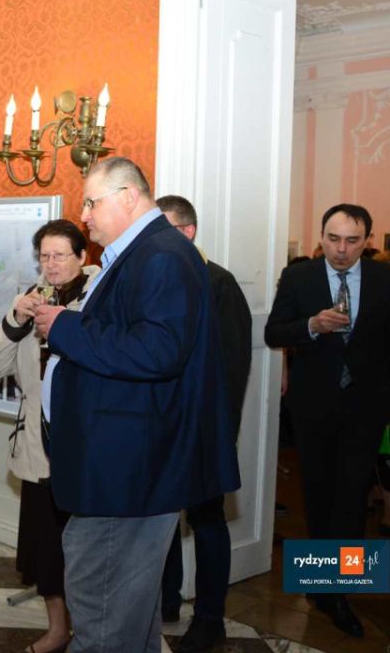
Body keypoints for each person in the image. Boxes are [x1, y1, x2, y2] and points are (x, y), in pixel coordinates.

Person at [33, 157, 240, 653]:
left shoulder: (161, 255)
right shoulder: (141, 254)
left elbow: (158, 351)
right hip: (119, 466)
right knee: (127, 617)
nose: (84, 214)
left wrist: (64, 327)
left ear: (127, 197)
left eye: (91, 202)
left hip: (127, 472)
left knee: (103, 617)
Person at [265, 203, 390, 639]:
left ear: (367, 241)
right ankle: (321, 586)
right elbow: (274, 332)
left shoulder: (383, 278)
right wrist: (312, 325)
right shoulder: (298, 277)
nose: (341, 249)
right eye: (333, 239)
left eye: (352, 241)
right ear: (321, 237)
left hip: (365, 409)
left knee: (352, 501)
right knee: (316, 498)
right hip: (313, 407)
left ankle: (339, 593)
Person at [0, 219, 99, 653]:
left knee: (86, 550)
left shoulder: (100, 296)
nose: (50, 264)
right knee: (46, 549)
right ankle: (57, 629)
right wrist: (16, 319)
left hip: (85, 446)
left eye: (59, 255)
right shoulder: (31, 300)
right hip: (37, 446)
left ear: (82, 257)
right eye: (44, 256)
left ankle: (91, 631)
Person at [156, 195, 252, 652]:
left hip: (204, 430)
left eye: (162, 230)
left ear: (188, 232)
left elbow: (232, 371)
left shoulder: (220, 283)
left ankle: (211, 618)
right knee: (162, 518)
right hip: (161, 427)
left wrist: (219, 436)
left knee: (207, 521)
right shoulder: (158, 279)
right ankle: (166, 600)